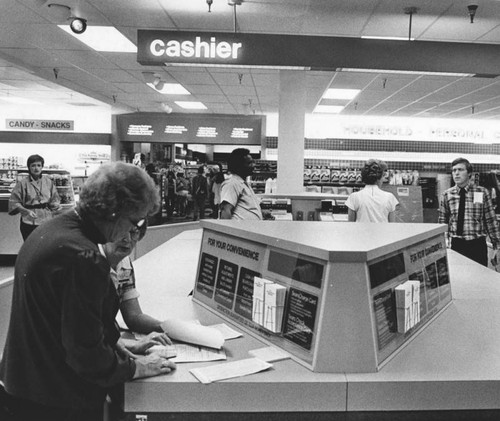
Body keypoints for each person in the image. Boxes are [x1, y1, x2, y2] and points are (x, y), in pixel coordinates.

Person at [0, 162, 176, 421]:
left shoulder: (49, 231)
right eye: (133, 220)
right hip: (56, 402)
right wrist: (136, 368)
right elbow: (85, 354)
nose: (131, 232)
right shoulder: (85, 257)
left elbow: (60, 321)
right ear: (115, 211)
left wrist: (115, 348)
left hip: (22, 388)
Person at [438, 157, 500, 266]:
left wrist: (497, 245)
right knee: (458, 280)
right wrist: (443, 244)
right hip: (456, 245)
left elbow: (490, 220)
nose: (456, 173)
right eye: (454, 170)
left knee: (479, 279)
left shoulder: (482, 192)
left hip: (477, 244)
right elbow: (443, 221)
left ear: (469, 173)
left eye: (460, 170)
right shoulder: (447, 195)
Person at [8, 154, 61, 240]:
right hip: (29, 220)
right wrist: (26, 211)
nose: (36, 168)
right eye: (33, 165)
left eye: (39, 165)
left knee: (44, 247)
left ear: (42, 167)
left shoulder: (48, 182)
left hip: (46, 220)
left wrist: (56, 205)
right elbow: (14, 202)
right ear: (29, 167)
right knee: (30, 248)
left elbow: (54, 198)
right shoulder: (22, 183)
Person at [220, 148, 265, 220]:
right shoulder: (232, 183)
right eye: (249, 163)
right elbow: (225, 211)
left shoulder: (243, 183)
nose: (253, 165)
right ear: (239, 166)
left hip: (249, 229)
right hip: (240, 230)